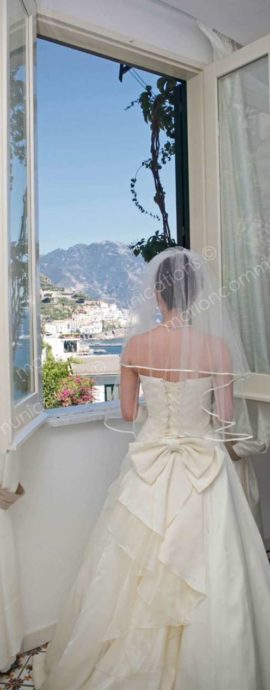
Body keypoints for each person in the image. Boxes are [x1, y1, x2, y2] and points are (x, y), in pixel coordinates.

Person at [33, 247, 270, 690]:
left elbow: (126, 413)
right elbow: (224, 418)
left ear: (156, 295)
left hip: (150, 462)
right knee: (214, 572)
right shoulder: (216, 348)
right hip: (205, 466)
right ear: (197, 293)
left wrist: (159, 407)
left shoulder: (136, 347)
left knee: (131, 570)